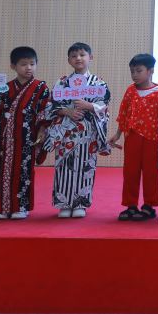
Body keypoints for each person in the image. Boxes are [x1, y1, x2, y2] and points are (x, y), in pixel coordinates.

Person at [0, 46, 51, 220]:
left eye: (32, 64)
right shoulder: (4, 88)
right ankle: (3, 207)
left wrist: (42, 130)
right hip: (7, 137)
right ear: (13, 66)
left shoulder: (41, 87)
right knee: (4, 171)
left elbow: (45, 111)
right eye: (23, 64)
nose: (29, 68)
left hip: (27, 137)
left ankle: (21, 207)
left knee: (24, 171)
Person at [44, 42, 111, 218]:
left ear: (90, 57)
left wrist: (89, 105)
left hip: (88, 131)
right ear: (69, 60)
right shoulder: (62, 82)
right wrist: (67, 111)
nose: (78, 58)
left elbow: (104, 105)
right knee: (64, 165)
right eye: (74, 56)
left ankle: (81, 203)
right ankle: (64, 203)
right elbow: (51, 105)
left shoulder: (98, 82)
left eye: (82, 55)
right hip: (66, 130)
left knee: (86, 165)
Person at [108, 54, 158, 221]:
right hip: (131, 137)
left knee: (150, 173)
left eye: (139, 71)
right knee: (130, 172)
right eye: (132, 71)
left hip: (151, 138)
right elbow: (124, 114)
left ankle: (149, 206)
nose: (135, 75)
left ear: (150, 71)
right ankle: (130, 205)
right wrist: (117, 134)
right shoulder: (130, 90)